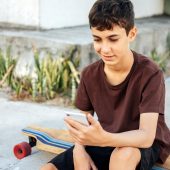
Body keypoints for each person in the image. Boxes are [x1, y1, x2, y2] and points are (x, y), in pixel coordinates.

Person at [41, 0, 170, 169]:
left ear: (131, 34)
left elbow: (146, 136)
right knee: (48, 168)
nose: (105, 49)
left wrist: (103, 139)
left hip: (142, 144)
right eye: (97, 39)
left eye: (113, 39)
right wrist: (79, 151)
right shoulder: (89, 75)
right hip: (105, 138)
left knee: (122, 157)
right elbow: (82, 124)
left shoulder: (150, 73)